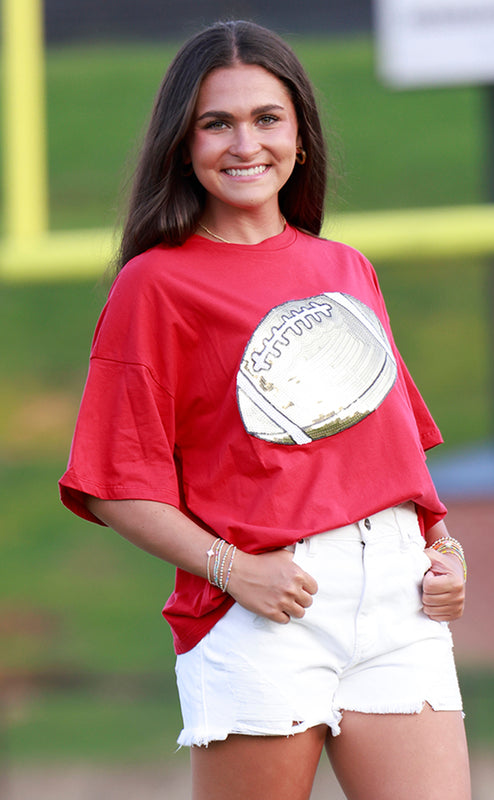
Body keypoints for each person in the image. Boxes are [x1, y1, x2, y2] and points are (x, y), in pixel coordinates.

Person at [59, 20, 471, 800]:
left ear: (301, 138)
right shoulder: (155, 285)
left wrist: (446, 553)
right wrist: (234, 570)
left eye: (266, 119)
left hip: (397, 607)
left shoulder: (344, 268)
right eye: (216, 123)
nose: (244, 143)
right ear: (183, 145)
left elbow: (390, 454)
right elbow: (114, 482)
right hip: (269, 609)